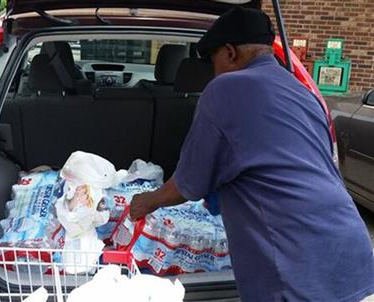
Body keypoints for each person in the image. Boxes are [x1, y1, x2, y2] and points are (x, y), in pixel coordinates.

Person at [129, 6, 374, 302]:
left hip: (296, 266)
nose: (212, 72)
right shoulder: (303, 92)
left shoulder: (225, 88)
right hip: (352, 249)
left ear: (230, 53)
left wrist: (145, 202)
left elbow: (187, 185)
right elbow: (280, 165)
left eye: (212, 61)